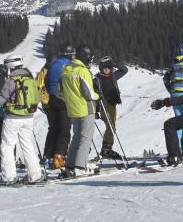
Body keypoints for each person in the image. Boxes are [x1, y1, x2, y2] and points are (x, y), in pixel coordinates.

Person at [0, 54, 43, 185]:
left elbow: (1, 100)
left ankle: (9, 178)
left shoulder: (11, 80)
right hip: (28, 117)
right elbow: (37, 98)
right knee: (28, 146)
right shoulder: (30, 78)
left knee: (7, 146)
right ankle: (35, 175)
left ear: (10, 66)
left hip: (12, 118)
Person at [59, 44, 100, 178]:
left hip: (72, 108)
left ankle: (70, 166)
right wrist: (98, 95)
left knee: (76, 137)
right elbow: (89, 94)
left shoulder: (66, 69)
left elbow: (60, 91)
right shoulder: (82, 71)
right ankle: (80, 167)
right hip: (86, 108)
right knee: (85, 138)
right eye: (89, 57)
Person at [43, 44, 74, 169]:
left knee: (54, 129)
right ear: (69, 54)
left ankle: (48, 156)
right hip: (63, 100)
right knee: (65, 130)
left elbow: (46, 81)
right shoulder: (68, 65)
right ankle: (59, 157)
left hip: (51, 100)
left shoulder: (53, 64)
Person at [94, 56, 128, 159]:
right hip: (103, 106)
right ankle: (106, 149)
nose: (107, 69)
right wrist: (97, 109)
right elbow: (94, 95)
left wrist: (115, 63)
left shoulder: (113, 76)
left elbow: (124, 70)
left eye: (109, 67)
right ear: (101, 68)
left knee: (112, 126)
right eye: (104, 68)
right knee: (111, 127)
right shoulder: (97, 79)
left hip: (112, 105)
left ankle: (106, 149)